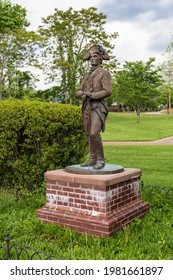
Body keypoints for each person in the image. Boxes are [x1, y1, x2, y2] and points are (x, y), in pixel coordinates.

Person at [76, 45, 112, 169]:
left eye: (95, 57)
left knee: (94, 133)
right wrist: (82, 94)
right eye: (91, 57)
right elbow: (78, 91)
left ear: (100, 59)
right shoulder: (86, 75)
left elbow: (107, 91)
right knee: (88, 133)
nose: (92, 59)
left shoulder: (104, 73)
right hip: (87, 106)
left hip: (98, 107)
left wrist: (93, 95)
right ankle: (92, 158)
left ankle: (100, 160)